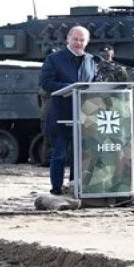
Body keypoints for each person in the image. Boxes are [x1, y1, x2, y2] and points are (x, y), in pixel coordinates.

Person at [39, 26, 96, 195]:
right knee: (60, 155)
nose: (79, 43)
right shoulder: (54, 59)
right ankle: (56, 189)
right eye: (75, 39)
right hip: (61, 114)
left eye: (82, 40)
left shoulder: (92, 60)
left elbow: (95, 82)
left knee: (80, 157)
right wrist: (70, 88)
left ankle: (75, 187)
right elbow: (46, 83)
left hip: (85, 115)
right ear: (68, 39)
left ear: (87, 42)